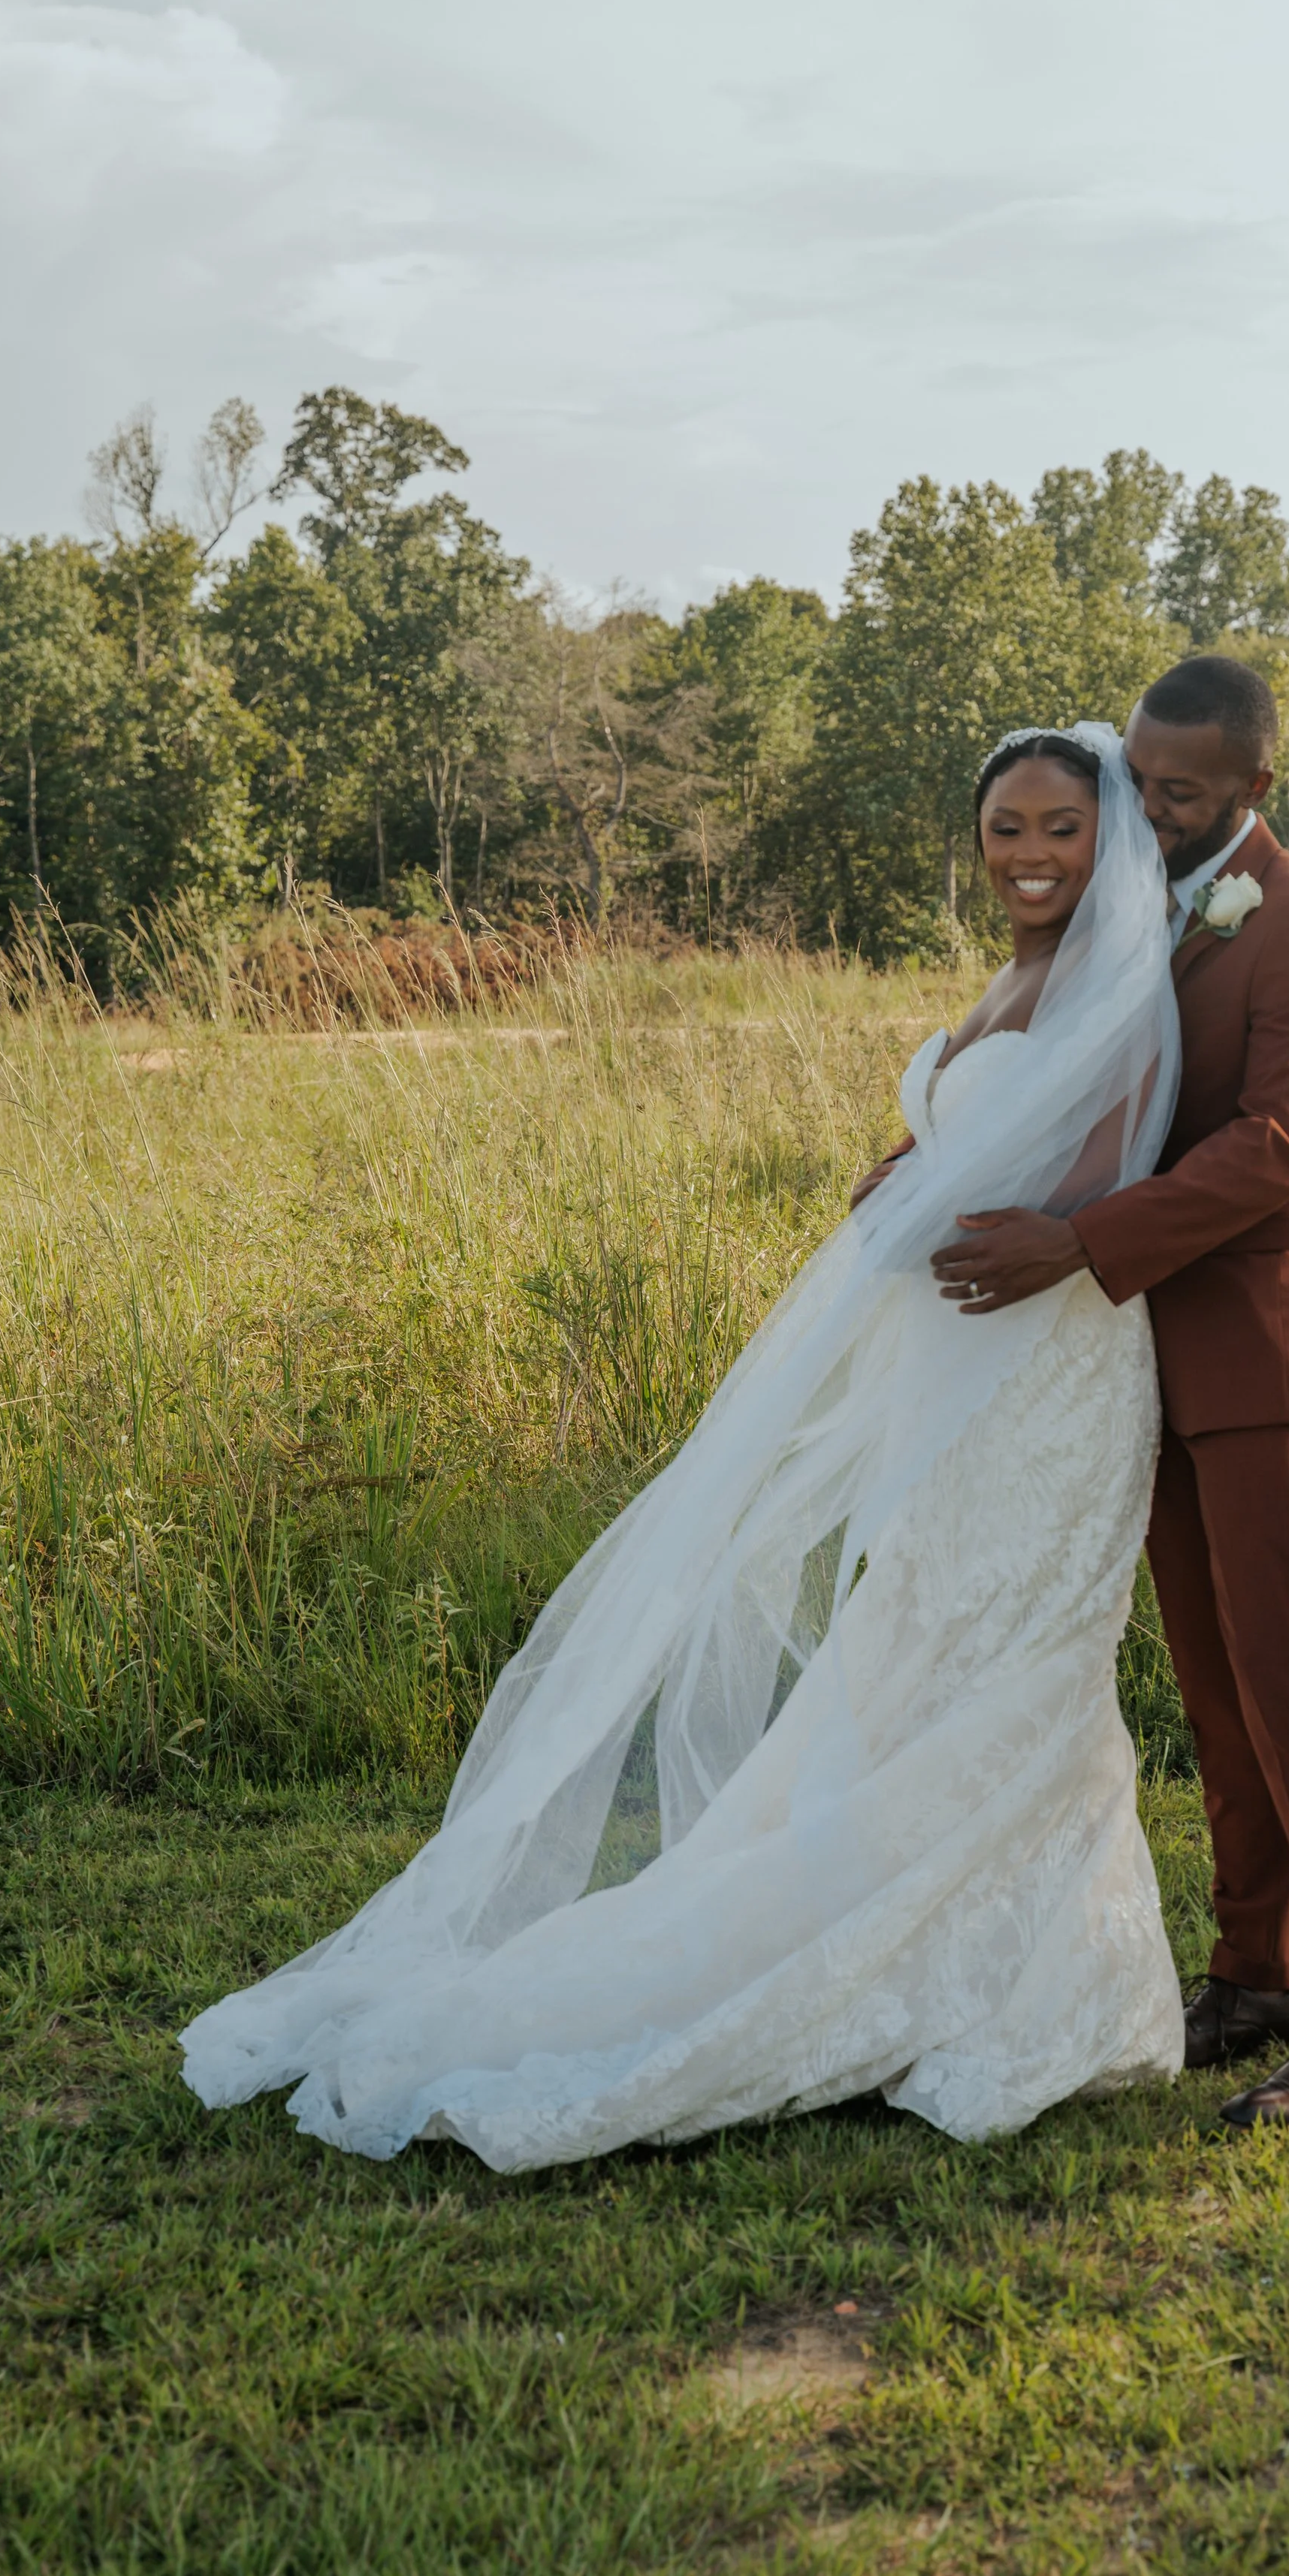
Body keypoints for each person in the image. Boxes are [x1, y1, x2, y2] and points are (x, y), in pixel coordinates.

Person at [180, 724, 1188, 2170]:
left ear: (1114, 842)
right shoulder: (1014, 973)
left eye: (1060, 831)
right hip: (955, 1366)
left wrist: (940, 1197)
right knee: (913, 1642)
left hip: (1051, 1376)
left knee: (1026, 1656)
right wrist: (910, 1166)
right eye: (1004, 830)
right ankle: (919, 1959)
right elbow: (995, 1143)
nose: (1028, 856)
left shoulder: (1121, 985)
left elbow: (1086, 1190)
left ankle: (1036, 1985)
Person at [929, 657, 1289, 2130]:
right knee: (1213, 1683)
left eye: (1180, 792)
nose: (1145, 809)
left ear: (1254, 788)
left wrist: (1077, 1245)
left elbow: (1275, 1147)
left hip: (1264, 1341)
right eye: (1136, 782)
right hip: (1138, 1346)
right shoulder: (1133, 913)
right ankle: (1256, 1974)